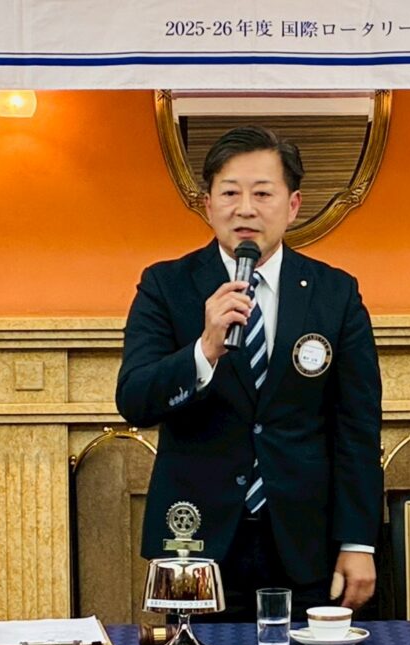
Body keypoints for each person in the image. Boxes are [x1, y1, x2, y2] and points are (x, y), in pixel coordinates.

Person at [116, 126, 382, 620]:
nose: (245, 209)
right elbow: (134, 399)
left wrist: (358, 540)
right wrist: (204, 350)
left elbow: (357, 427)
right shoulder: (166, 285)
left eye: (262, 194)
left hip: (306, 543)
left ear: (292, 205)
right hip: (196, 544)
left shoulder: (335, 293)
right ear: (207, 204)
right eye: (230, 194)